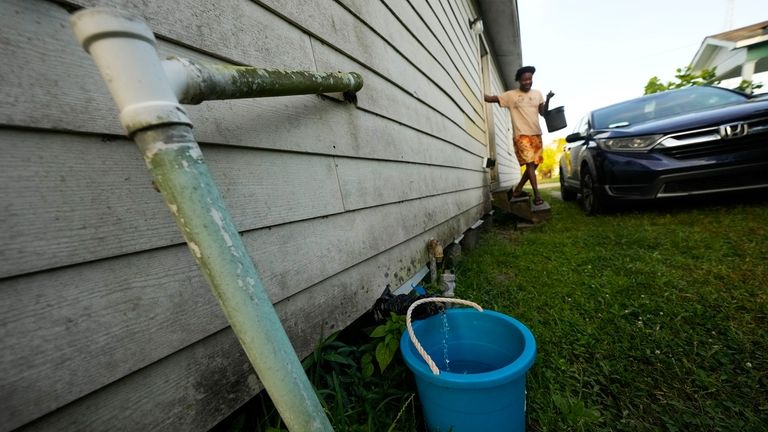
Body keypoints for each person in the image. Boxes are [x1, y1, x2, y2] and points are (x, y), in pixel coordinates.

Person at [484, 65, 554, 206]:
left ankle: (518, 189)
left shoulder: (537, 94)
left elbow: (544, 113)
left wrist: (548, 99)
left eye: (530, 79)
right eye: (524, 80)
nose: (527, 82)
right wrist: (479, 92)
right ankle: (537, 195)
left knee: (534, 166)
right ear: (519, 81)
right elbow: (491, 99)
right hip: (521, 135)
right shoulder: (511, 95)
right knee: (529, 164)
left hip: (536, 134)